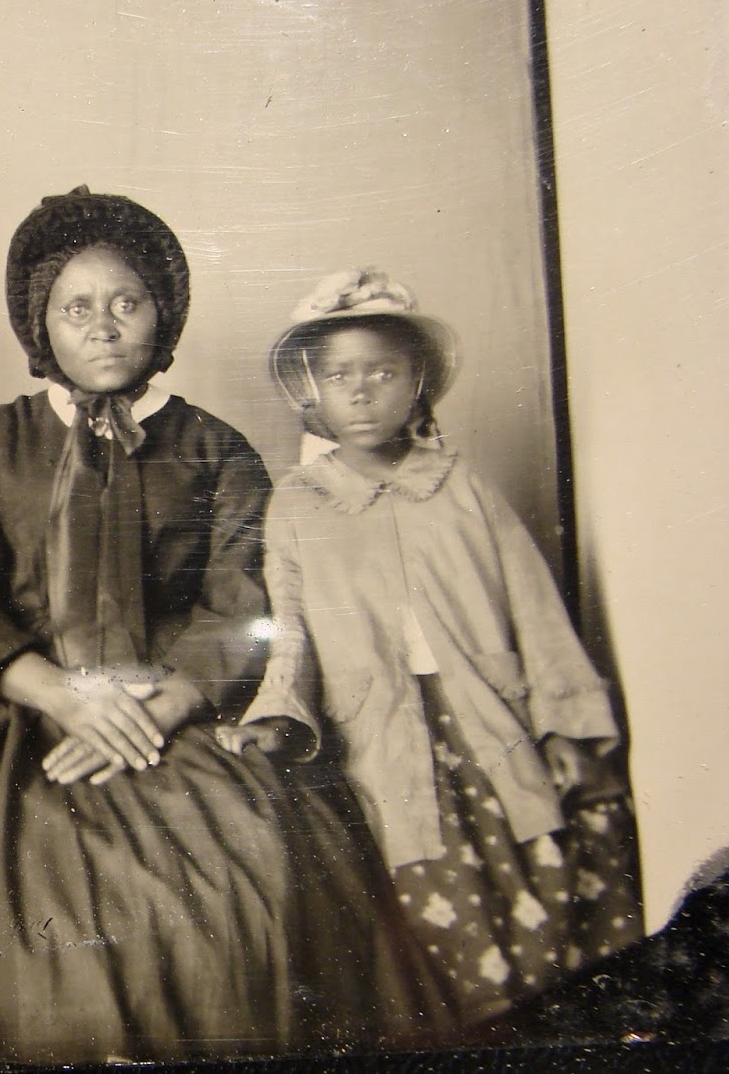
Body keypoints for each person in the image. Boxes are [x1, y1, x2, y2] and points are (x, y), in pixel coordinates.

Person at [0, 190, 444, 1063]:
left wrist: (160, 708)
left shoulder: (216, 449)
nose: (104, 327)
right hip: (26, 714)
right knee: (37, 906)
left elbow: (244, 603)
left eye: (127, 303)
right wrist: (64, 698)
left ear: (164, 316)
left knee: (252, 866)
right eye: (77, 308)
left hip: (176, 713)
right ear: (41, 325)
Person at [217, 268, 641, 1023]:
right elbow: (293, 629)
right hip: (385, 731)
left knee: (540, 861)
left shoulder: (460, 485)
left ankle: (569, 1025)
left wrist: (564, 720)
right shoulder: (299, 504)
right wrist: (277, 711)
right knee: (432, 893)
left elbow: (535, 609)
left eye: (383, 372)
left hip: (487, 717)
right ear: (310, 390)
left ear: (418, 384)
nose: (361, 392)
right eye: (339, 375)